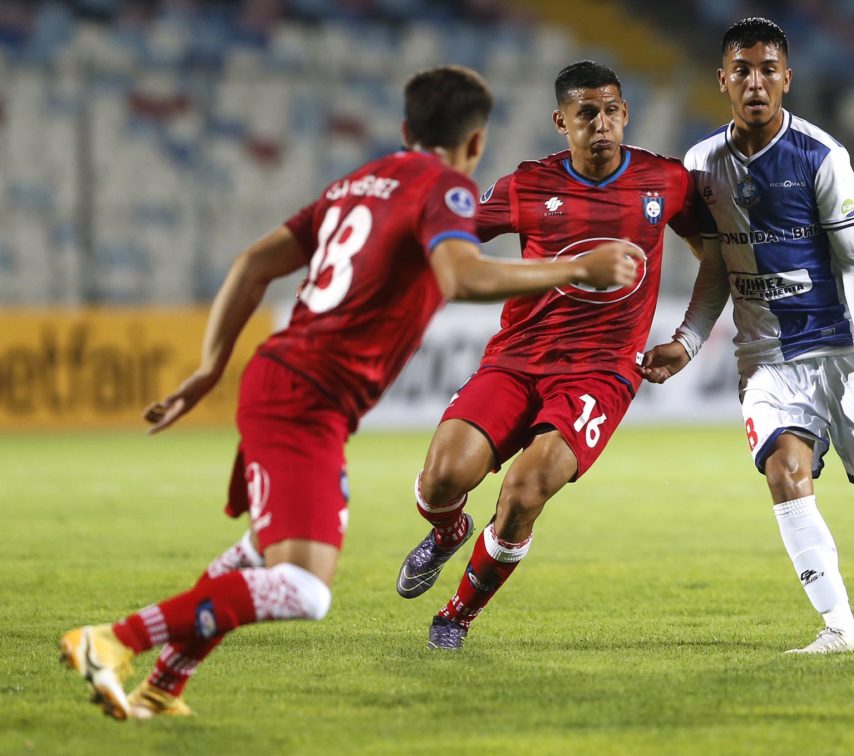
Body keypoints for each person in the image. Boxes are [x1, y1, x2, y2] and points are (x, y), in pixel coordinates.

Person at [57, 64, 643, 720]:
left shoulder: (357, 183)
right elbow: (461, 276)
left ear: (405, 130)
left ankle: (166, 683)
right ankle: (112, 641)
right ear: (476, 143)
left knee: (259, 550)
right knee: (304, 589)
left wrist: (209, 368)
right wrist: (577, 267)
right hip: (306, 399)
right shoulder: (445, 189)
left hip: (284, 382)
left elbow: (253, 263)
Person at [394, 60, 708, 650]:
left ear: (626, 113)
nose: (601, 123)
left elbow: (714, 257)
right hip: (517, 358)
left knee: (525, 490)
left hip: (601, 372)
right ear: (561, 121)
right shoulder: (528, 185)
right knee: (441, 479)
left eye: (611, 110)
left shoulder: (666, 181)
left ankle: (455, 617)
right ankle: (448, 533)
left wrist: (689, 338)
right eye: (586, 113)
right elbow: (451, 236)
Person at [639, 18, 854, 654]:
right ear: (723, 80)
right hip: (766, 359)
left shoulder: (823, 157)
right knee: (785, 472)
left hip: (842, 350)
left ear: (787, 78)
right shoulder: (701, 165)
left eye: (768, 70)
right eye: (742, 70)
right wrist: (687, 341)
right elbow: (716, 265)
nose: (755, 82)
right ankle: (839, 629)